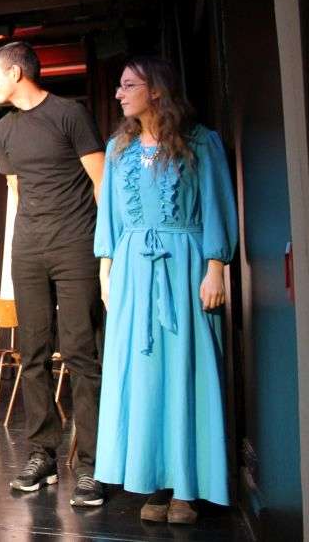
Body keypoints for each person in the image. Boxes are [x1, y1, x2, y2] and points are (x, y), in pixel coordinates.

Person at [94, 57, 237, 524]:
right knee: (144, 373)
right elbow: (110, 218)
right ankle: (154, 478)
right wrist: (106, 272)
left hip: (185, 265)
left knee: (185, 371)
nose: (119, 93)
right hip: (133, 270)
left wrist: (215, 267)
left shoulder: (199, 142)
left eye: (128, 85)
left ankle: (187, 488)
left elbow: (216, 203)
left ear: (155, 90)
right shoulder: (118, 149)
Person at [0, 41, 107, 506]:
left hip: (75, 245)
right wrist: (14, 254)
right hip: (29, 250)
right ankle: (43, 455)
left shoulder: (69, 114)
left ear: (17, 73)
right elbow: (16, 194)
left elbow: (101, 182)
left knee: (80, 352)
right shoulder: (3, 129)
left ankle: (93, 465)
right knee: (32, 353)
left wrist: (107, 253)